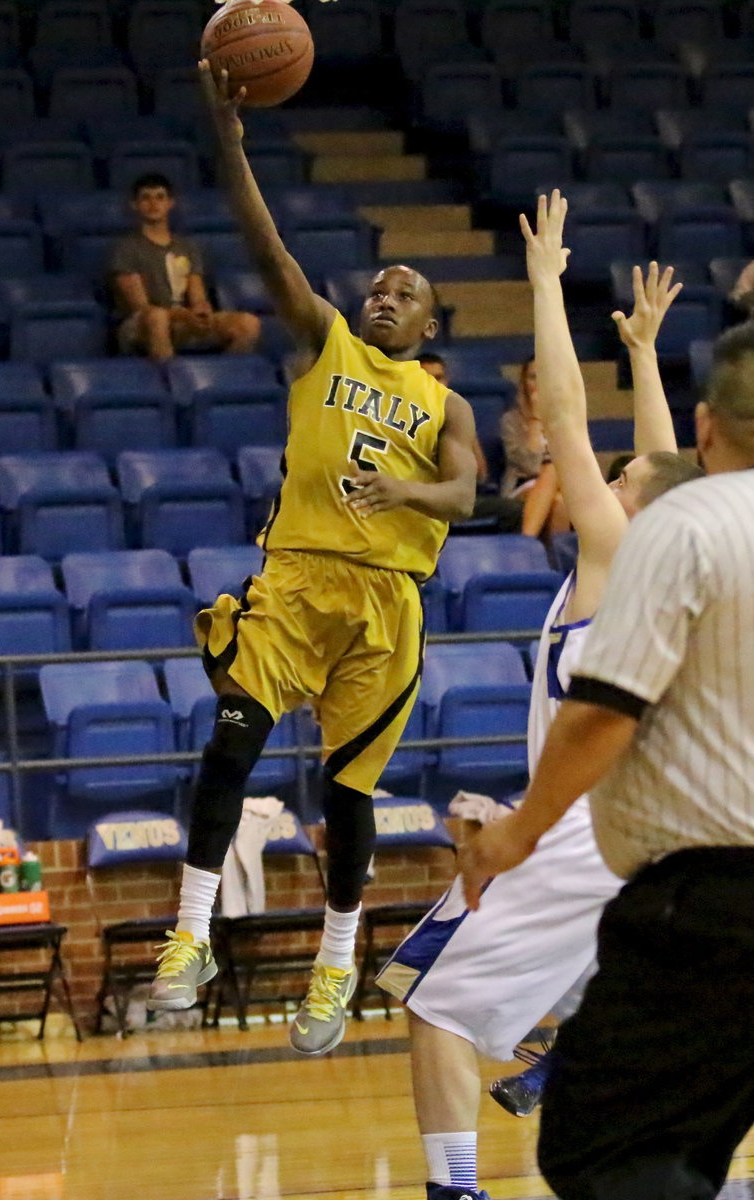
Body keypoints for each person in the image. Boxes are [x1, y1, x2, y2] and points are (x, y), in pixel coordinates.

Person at [375, 192, 703, 1200]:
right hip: (642, 832)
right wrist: (644, 354)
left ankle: (456, 1188)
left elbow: (563, 417)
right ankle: (574, 1049)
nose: (615, 473)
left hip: (576, 830)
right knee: (621, 977)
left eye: (622, 476)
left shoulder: (617, 551)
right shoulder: (666, 551)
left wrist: (546, 287)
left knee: (427, 996)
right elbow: (662, 460)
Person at [146, 62, 478, 1058]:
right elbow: (270, 251)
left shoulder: (447, 405)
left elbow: (465, 494)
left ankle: (335, 966)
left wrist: (406, 493)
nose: (384, 296)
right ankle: (190, 936)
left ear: (429, 325)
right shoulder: (327, 340)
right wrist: (229, 138)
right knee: (230, 745)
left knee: (346, 794)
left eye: (404, 292)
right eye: (378, 285)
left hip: (386, 604)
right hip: (295, 582)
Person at [462, 318, 754, 1200]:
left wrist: (518, 832)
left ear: (706, 426)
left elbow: (603, 714)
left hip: (709, 892)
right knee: (685, 1144)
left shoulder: (681, 527)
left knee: (601, 1151)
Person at [108, 172, 261, 361]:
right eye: (146, 198)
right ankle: (169, 376)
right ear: (135, 205)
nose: (153, 204)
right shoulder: (126, 249)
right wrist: (182, 315)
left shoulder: (187, 246)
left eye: (160, 197)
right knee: (157, 317)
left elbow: (197, 295)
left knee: (248, 323)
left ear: (170, 203)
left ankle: (225, 375)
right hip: (141, 324)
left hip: (183, 319)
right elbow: (140, 307)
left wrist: (201, 311)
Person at [418, 352, 522, 533]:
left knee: (513, 509)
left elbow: (481, 476)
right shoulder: (402, 416)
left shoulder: (459, 416)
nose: (435, 384)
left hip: (455, 499)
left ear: (447, 381)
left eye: (439, 378)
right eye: (427, 378)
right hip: (418, 499)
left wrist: (465, 434)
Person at [500, 357, 570, 540]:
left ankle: (543, 552)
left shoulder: (565, 420)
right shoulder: (511, 421)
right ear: (524, 383)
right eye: (533, 377)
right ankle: (531, 545)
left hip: (563, 486)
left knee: (560, 501)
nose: (539, 383)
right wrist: (536, 419)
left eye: (545, 376)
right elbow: (530, 465)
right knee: (553, 477)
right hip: (522, 484)